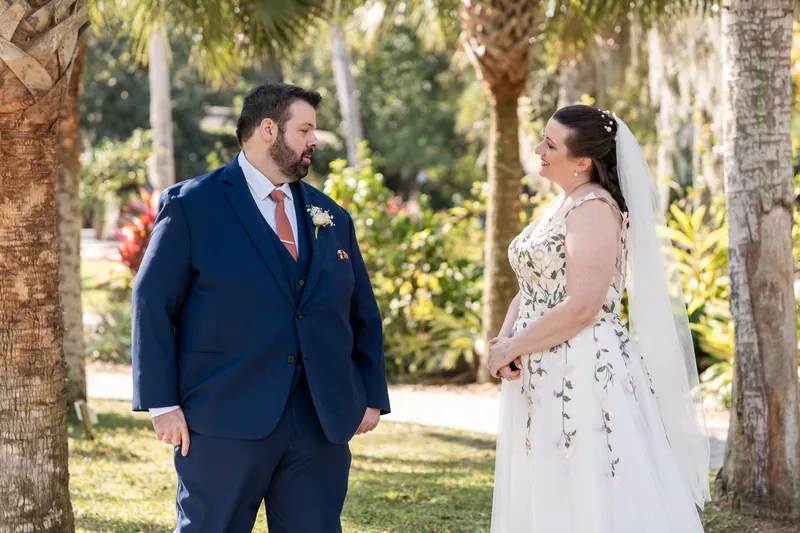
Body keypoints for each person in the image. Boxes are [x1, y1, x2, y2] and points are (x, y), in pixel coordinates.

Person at [131, 81, 390, 533]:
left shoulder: (332, 217)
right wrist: (161, 403)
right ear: (268, 129)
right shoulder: (192, 205)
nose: (314, 140)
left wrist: (371, 395)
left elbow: (360, 311)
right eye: (304, 130)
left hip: (319, 425)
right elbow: (152, 302)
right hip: (223, 418)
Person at [487, 105, 710, 532]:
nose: (539, 150)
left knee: (587, 479)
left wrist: (514, 345)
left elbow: (583, 306)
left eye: (550, 145)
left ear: (583, 161)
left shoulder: (593, 209)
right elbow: (532, 286)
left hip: (580, 365)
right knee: (548, 479)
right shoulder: (561, 204)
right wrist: (504, 342)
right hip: (538, 358)